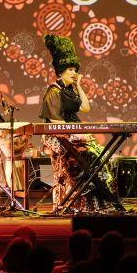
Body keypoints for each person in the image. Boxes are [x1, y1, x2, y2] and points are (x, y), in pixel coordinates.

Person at [38, 33, 116, 211]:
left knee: (100, 156)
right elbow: (54, 122)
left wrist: (79, 85)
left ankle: (98, 202)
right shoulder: (54, 92)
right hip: (60, 137)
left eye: (75, 69)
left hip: (74, 134)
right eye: (70, 70)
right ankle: (77, 203)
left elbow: (86, 108)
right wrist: (75, 135)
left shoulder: (70, 90)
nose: (74, 73)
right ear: (61, 72)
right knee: (86, 158)